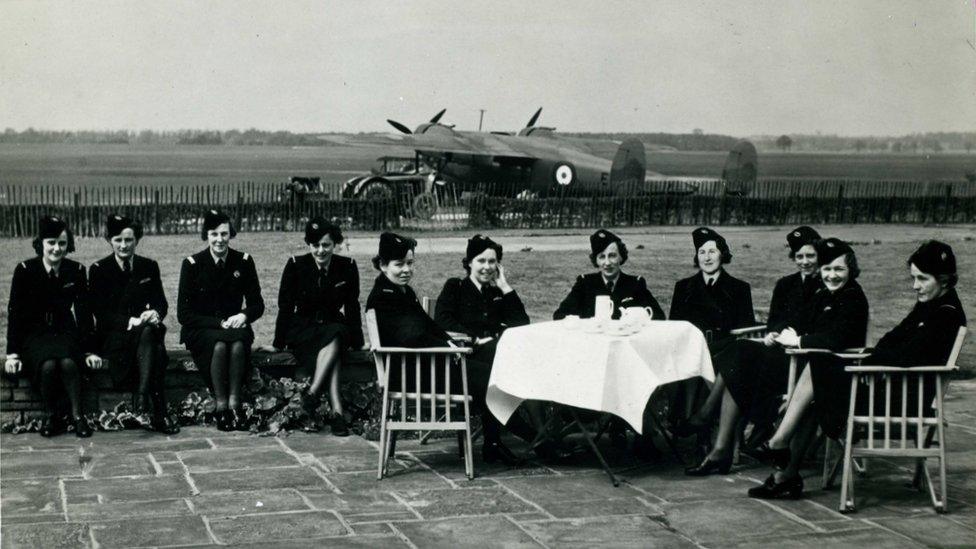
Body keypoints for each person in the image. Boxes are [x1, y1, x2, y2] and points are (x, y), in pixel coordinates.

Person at [748, 240, 963, 499]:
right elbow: (890, 340)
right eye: (913, 277)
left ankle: (778, 444)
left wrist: (872, 360)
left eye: (922, 279)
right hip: (890, 389)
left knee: (820, 367)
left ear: (944, 279)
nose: (915, 285)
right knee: (817, 386)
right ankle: (785, 473)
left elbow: (906, 356)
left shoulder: (946, 313)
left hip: (903, 399)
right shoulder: (931, 305)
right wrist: (878, 355)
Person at [685, 238, 869, 477]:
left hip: (822, 371)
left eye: (839, 269)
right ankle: (720, 448)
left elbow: (838, 338)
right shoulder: (824, 294)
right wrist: (784, 333)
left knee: (742, 364)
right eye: (827, 269)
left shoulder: (852, 296)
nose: (832, 275)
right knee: (740, 353)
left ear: (851, 271)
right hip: (801, 360)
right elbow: (801, 322)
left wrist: (800, 340)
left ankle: (717, 433)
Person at [365, 232, 520, 465]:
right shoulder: (385, 297)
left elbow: (430, 327)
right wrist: (450, 348)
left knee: (491, 363)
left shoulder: (402, 292)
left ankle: (497, 442)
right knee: (492, 377)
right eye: (399, 265)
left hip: (425, 366)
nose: (406, 269)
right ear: (383, 266)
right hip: (412, 373)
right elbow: (412, 337)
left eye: (410, 263)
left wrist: (452, 342)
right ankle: (523, 439)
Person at [673, 226, 822, 446]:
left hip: (802, 357)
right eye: (799, 256)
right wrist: (776, 332)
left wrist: (796, 335)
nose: (805, 261)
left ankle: (708, 419)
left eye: (810, 256)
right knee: (733, 358)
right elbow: (774, 321)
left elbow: (747, 324)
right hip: (776, 350)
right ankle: (715, 428)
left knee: (736, 358)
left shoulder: (827, 284)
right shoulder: (785, 285)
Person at [434, 234, 531, 463]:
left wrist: (505, 286)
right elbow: (443, 321)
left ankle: (499, 442)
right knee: (500, 368)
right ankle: (536, 438)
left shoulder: (497, 291)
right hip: (466, 358)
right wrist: (475, 339)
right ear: (469, 262)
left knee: (506, 362)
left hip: (495, 359)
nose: (487, 267)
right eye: (481, 261)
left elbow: (521, 325)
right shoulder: (455, 287)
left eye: (492, 262)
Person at [4, 216, 101, 437]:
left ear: (69, 245)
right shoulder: (25, 270)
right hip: (35, 335)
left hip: (65, 332)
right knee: (47, 365)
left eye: (62, 243)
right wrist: (12, 354)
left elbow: (84, 313)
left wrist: (90, 350)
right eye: (51, 242)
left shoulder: (75, 270)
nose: (56, 249)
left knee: (68, 363)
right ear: (41, 244)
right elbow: (15, 314)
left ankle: (78, 417)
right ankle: (51, 416)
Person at [273, 218, 363, 436]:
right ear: (308, 245)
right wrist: (278, 344)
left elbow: (352, 306)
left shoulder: (347, 266)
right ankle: (337, 413)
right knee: (335, 344)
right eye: (315, 245)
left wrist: (358, 342)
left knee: (337, 334)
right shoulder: (295, 265)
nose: (320, 251)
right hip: (303, 327)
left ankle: (313, 395)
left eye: (326, 245)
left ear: (335, 244)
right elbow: (284, 307)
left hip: (333, 324)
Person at [89, 214, 177, 434]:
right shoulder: (100, 269)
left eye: (129, 240)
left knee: (149, 333)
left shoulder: (149, 266)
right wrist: (132, 320)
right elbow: (101, 313)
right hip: (115, 338)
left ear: (137, 240)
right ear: (110, 240)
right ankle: (156, 410)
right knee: (154, 346)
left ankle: (142, 397)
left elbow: (162, 303)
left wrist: (155, 313)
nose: (123, 245)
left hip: (144, 336)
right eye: (118, 240)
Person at [178, 209, 264, 432]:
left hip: (234, 328)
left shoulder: (243, 261)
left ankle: (235, 404)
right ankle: (221, 405)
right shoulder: (192, 264)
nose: (219, 239)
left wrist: (243, 315)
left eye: (224, 234)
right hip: (202, 329)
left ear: (230, 234)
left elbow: (257, 304)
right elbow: (183, 314)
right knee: (219, 345)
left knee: (236, 345)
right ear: (206, 235)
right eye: (214, 234)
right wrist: (218, 324)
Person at [667, 227, 755, 430]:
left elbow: (746, 328)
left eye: (712, 252)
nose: (707, 258)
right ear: (696, 257)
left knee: (714, 365)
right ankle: (688, 421)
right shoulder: (684, 287)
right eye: (702, 252)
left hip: (724, 349)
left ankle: (700, 425)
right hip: (691, 350)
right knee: (690, 363)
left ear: (722, 255)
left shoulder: (739, 288)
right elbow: (675, 325)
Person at [553, 229, 664, 321]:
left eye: (612, 256)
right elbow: (560, 315)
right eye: (602, 257)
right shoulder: (585, 283)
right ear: (595, 260)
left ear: (621, 257)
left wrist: (637, 318)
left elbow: (659, 316)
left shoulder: (635, 284)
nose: (607, 263)